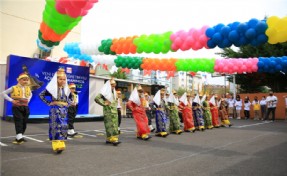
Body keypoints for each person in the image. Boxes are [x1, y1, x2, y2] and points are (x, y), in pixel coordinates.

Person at [39, 68, 70, 153]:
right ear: (56, 79)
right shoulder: (52, 89)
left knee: (64, 126)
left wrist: (68, 104)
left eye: (64, 79)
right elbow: (41, 95)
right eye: (60, 79)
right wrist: (49, 103)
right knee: (54, 126)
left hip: (64, 110)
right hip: (55, 110)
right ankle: (56, 145)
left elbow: (71, 98)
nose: (62, 81)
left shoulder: (66, 89)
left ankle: (62, 144)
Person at [1, 73, 32, 144]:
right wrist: (12, 100)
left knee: (24, 122)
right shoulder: (14, 87)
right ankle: (19, 137)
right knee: (19, 121)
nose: (26, 81)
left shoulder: (28, 88)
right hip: (17, 107)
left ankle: (19, 136)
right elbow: (3, 93)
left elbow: (30, 94)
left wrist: (28, 100)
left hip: (25, 107)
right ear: (19, 80)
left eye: (27, 80)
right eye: (24, 80)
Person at [94, 78, 121, 146]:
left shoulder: (114, 92)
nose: (113, 86)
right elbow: (96, 98)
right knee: (110, 126)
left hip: (114, 112)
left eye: (114, 85)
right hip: (108, 112)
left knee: (114, 125)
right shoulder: (104, 92)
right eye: (112, 85)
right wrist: (104, 103)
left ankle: (109, 139)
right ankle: (114, 139)